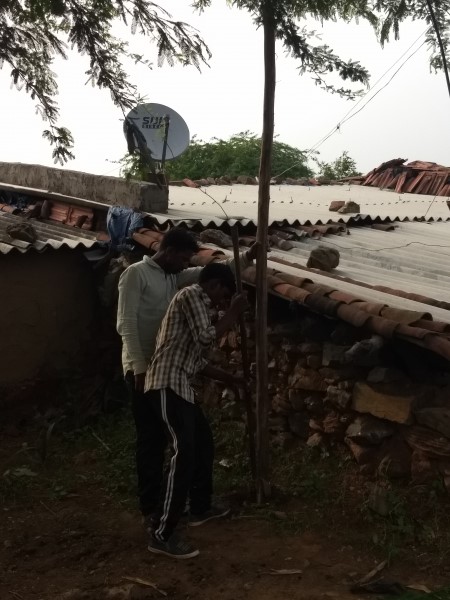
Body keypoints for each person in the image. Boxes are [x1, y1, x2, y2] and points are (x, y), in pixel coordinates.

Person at [116, 228, 258, 527]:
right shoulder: (136, 274)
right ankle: (152, 509)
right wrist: (139, 368)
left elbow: (213, 274)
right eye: (182, 257)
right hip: (144, 369)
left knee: (193, 441)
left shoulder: (174, 278)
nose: (185, 264)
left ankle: (195, 505)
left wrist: (249, 256)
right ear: (168, 252)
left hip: (169, 370)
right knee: (152, 441)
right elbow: (125, 323)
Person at [145, 263, 248, 559]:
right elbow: (206, 337)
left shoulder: (198, 310)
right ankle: (161, 532)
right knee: (184, 453)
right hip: (167, 382)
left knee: (202, 445)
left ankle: (200, 507)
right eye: (222, 294)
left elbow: (197, 360)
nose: (221, 302)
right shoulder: (192, 294)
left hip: (182, 385)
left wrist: (231, 378)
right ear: (213, 285)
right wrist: (234, 312)